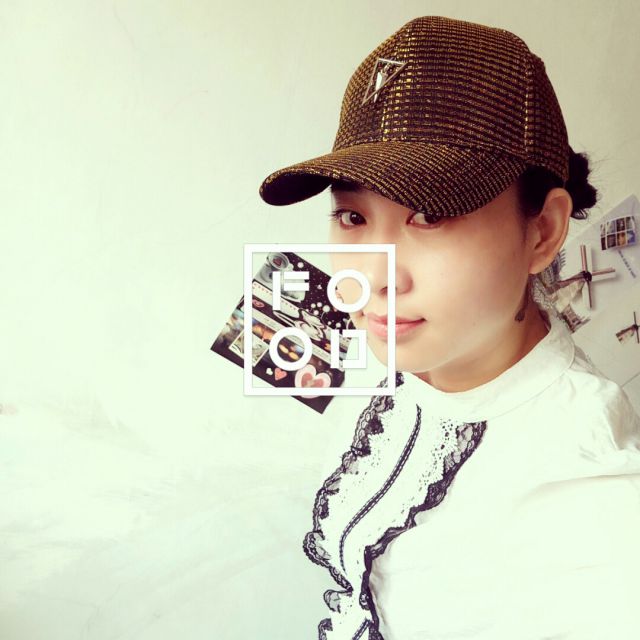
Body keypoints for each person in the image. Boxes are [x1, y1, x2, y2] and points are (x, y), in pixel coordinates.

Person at [258, 15, 640, 640]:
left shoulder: (592, 506)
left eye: (430, 215)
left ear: (542, 231)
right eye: (352, 217)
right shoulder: (404, 353)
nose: (376, 276)